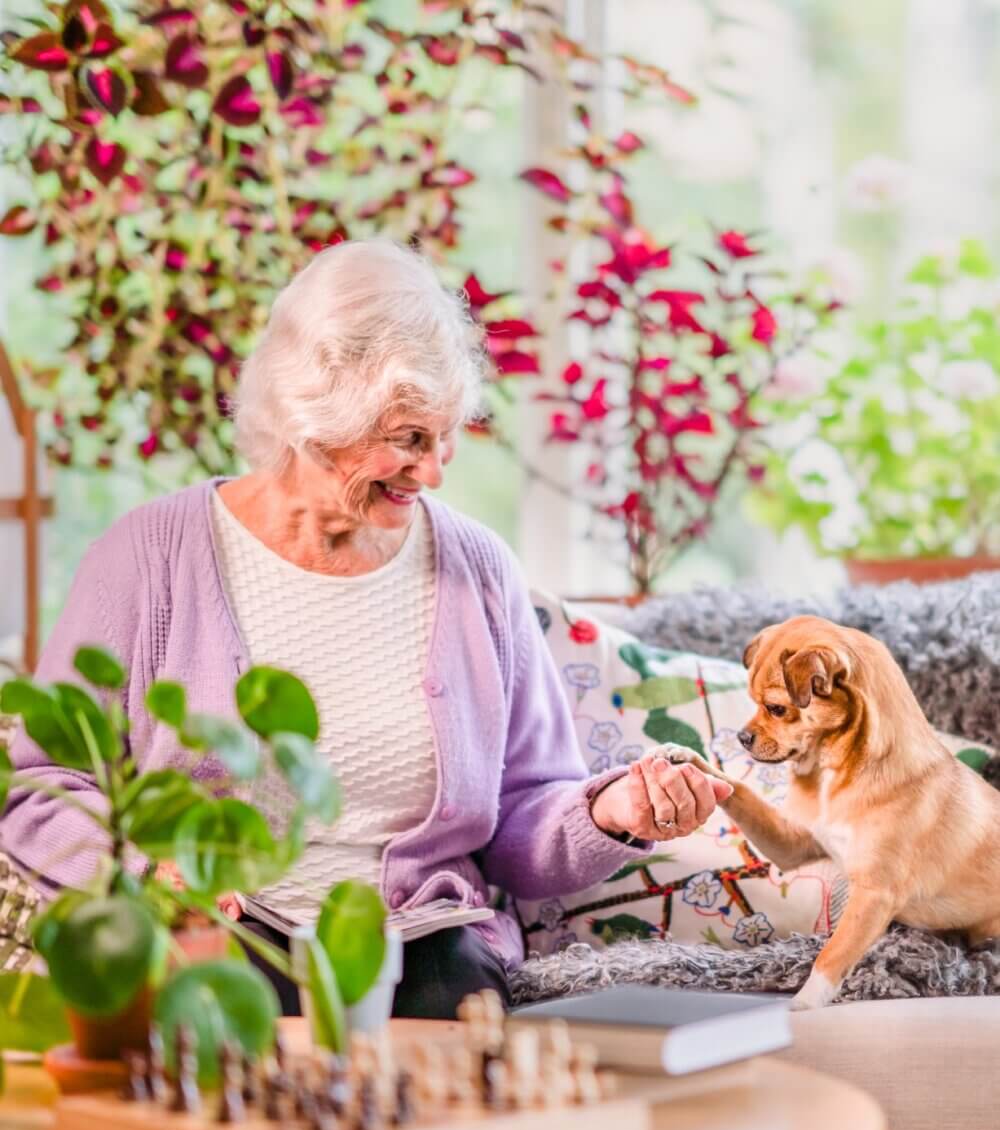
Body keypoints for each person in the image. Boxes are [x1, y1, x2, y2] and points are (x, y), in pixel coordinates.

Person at [1, 240, 732, 1018]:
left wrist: (610, 811)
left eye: (445, 436)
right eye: (409, 438)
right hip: (212, 930)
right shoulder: (148, 557)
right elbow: (40, 789)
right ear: (313, 417)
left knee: (444, 1053)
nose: (435, 471)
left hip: (423, 944)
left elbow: (525, 813)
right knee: (227, 1031)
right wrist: (138, 871)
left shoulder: (477, 569)